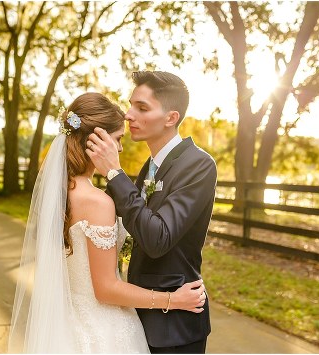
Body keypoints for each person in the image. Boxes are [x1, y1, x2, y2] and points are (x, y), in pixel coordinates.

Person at [8, 92, 207, 353]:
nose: (121, 148)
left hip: (69, 324)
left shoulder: (60, 193)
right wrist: (172, 299)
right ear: (97, 140)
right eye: (117, 139)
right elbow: (106, 289)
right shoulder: (97, 202)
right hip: (104, 330)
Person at [86, 71, 217, 353]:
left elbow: (158, 238)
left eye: (142, 108)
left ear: (171, 118)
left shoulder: (199, 164)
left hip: (175, 327)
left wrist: (113, 172)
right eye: (131, 104)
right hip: (138, 314)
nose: (129, 115)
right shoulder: (150, 167)